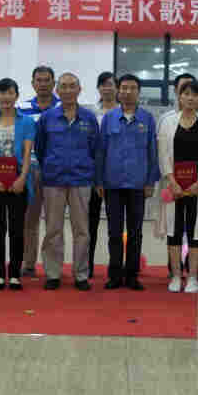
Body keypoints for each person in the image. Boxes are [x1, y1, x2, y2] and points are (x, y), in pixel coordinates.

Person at [36, 72, 100, 291]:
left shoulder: (89, 118)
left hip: (81, 179)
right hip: (53, 180)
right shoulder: (47, 118)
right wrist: (50, 165)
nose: (68, 90)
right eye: (63, 86)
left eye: (72, 86)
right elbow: (40, 148)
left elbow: (95, 149)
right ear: (57, 90)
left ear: (79, 90)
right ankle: (53, 273)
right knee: (53, 229)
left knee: (82, 230)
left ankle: (81, 274)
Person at [96, 74, 159, 290]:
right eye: (124, 88)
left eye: (132, 88)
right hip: (113, 184)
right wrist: (99, 180)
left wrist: (150, 181)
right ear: (118, 91)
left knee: (135, 232)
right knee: (114, 232)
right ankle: (114, 275)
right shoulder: (109, 118)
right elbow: (101, 151)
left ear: (138, 92)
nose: (127, 92)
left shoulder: (147, 119)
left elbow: (152, 151)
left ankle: (132, 275)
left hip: (138, 184)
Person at [156, 81, 198, 293]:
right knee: (173, 230)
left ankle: (192, 277)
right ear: (179, 97)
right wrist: (172, 181)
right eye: (186, 94)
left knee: (195, 231)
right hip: (173, 186)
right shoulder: (168, 122)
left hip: (197, 187)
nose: (190, 98)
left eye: (195, 95)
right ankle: (175, 276)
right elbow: (163, 154)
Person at [0, 78, 38, 290]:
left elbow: (28, 154)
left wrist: (22, 178)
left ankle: (14, 274)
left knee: (17, 229)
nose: (6, 97)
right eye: (2, 93)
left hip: (18, 181)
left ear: (16, 95)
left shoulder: (27, 122)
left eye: (10, 92)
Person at [18, 65, 60, 277]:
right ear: (33, 83)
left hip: (56, 171)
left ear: (54, 83)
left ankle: (52, 267)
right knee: (29, 220)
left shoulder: (63, 107)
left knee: (54, 223)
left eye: (47, 80)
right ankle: (28, 263)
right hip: (31, 170)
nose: (43, 84)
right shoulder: (22, 108)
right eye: (39, 80)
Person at [88, 71, 119, 279]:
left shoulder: (123, 112)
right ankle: (86, 266)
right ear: (98, 88)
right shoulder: (91, 113)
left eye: (111, 84)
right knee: (89, 223)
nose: (107, 88)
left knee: (115, 225)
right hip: (92, 174)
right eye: (103, 84)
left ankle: (115, 268)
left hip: (115, 174)